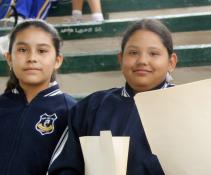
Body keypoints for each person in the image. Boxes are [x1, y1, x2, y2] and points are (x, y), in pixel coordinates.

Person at [47, 19, 177, 175]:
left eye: (154, 53)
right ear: (121, 59)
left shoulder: (189, 107)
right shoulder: (91, 107)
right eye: (133, 53)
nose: (142, 61)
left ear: (171, 62)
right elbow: (64, 167)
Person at [0, 19, 76, 175]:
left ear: (57, 60)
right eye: (22, 50)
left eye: (42, 51)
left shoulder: (70, 111)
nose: (32, 58)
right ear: (9, 58)